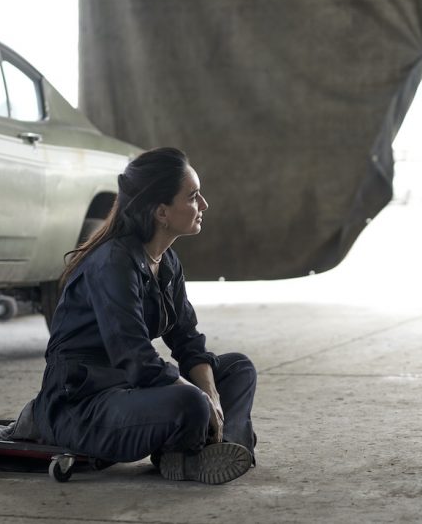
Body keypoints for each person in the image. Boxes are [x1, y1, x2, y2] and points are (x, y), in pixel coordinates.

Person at [23, 147, 256, 484]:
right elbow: (135, 358)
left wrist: (214, 394)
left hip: (128, 391)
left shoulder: (167, 262)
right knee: (191, 401)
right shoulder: (114, 263)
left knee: (238, 369)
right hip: (81, 404)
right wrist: (202, 398)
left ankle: (215, 448)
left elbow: (188, 341)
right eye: (192, 197)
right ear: (161, 212)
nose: (203, 205)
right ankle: (190, 455)